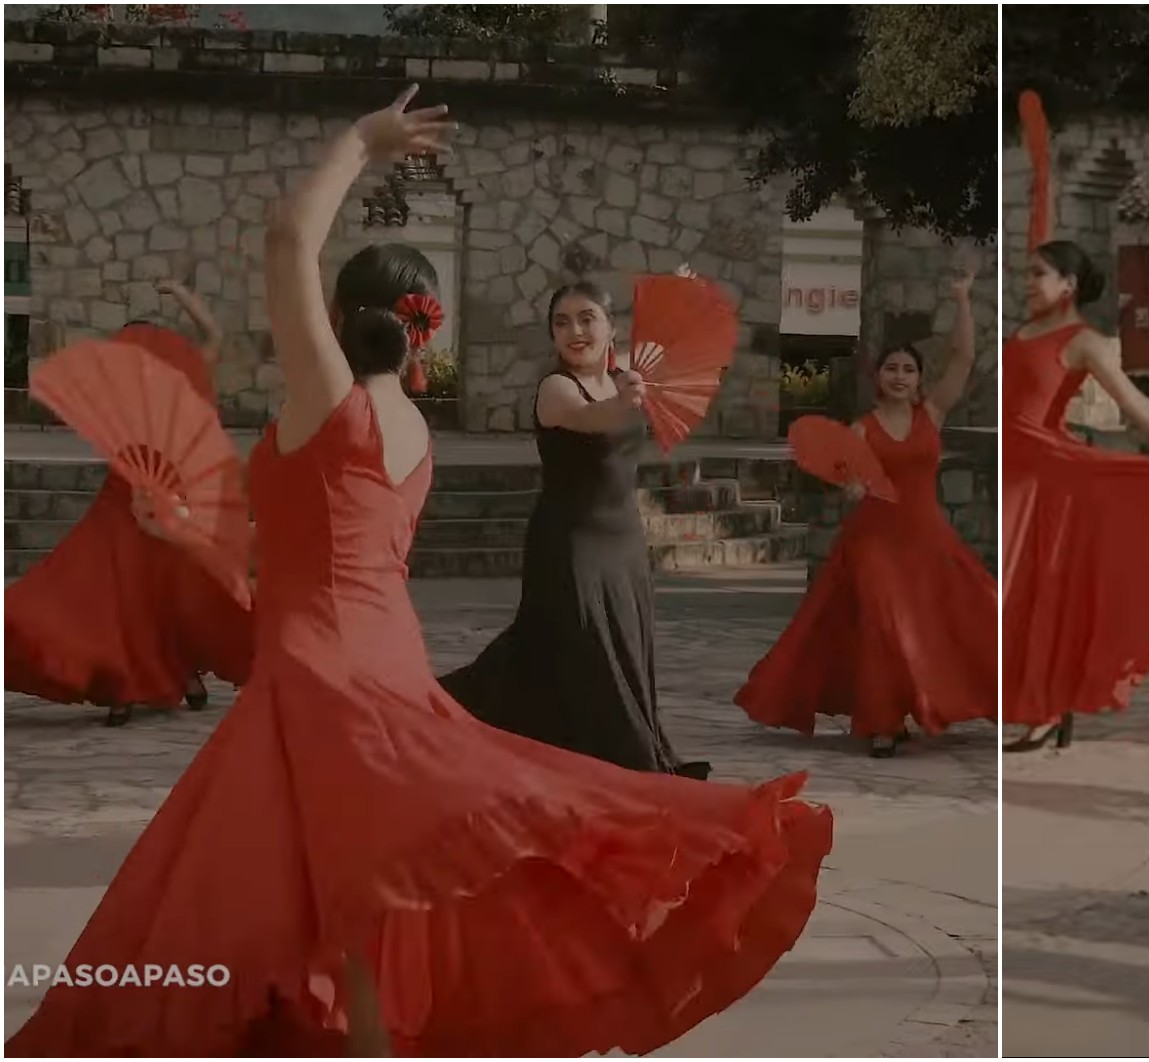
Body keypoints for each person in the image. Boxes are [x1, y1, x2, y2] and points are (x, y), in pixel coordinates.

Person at [5, 87, 831, 1057]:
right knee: (364, 879)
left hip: (320, 675)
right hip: (374, 659)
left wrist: (362, 141)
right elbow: (297, 557)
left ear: (346, 318)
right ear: (423, 331)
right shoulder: (413, 434)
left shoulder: (331, 407)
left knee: (280, 882)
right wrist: (182, 531)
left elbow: (283, 242)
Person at [437, 280, 710, 779]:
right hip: (571, 542)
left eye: (587, 318)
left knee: (610, 645)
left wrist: (678, 319)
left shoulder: (624, 373)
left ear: (610, 328)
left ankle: (584, 754)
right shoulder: (557, 388)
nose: (575, 331)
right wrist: (624, 400)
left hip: (623, 541)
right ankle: (619, 765)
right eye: (561, 323)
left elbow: (661, 354)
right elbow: (593, 418)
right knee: (578, 647)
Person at [737, 269, 996, 756]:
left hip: (926, 537)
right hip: (873, 542)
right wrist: (852, 488)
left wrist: (962, 298)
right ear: (878, 377)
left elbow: (963, 357)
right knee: (883, 626)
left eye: (908, 369)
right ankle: (883, 722)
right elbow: (848, 481)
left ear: (919, 380)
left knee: (970, 614)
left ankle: (1003, 692)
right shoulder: (860, 429)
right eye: (891, 368)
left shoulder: (932, 414)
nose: (900, 376)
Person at [1002, 240, 1149, 751]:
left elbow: (1132, 401)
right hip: (1015, 473)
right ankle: (1043, 707)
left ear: (1068, 285)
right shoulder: (1019, 333)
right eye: (1027, 273)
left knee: (1046, 594)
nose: (1027, 282)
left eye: (1037, 274)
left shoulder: (1084, 341)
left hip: (1052, 479)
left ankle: (1046, 710)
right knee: (1018, 594)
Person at [5, 281, 253, 725]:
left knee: (119, 595)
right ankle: (184, 680)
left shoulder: (125, 384)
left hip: (125, 500)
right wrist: (180, 292)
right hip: (177, 502)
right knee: (165, 594)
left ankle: (128, 686)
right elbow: (214, 333)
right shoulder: (185, 372)